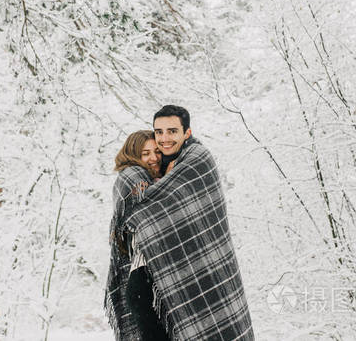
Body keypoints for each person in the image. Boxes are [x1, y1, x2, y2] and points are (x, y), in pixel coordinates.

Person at [123, 105, 255, 340]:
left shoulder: (197, 163)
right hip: (149, 284)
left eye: (172, 131)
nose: (164, 139)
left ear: (187, 133)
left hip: (196, 278)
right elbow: (133, 212)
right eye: (159, 132)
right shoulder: (146, 171)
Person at [105, 130, 170, 340]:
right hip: (145, 283)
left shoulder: (157, 180)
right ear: (133, 155)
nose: (153, 158)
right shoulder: (132, 177)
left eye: (157, 152)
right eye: (145, 153)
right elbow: (154, 208)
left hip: (152, 281)